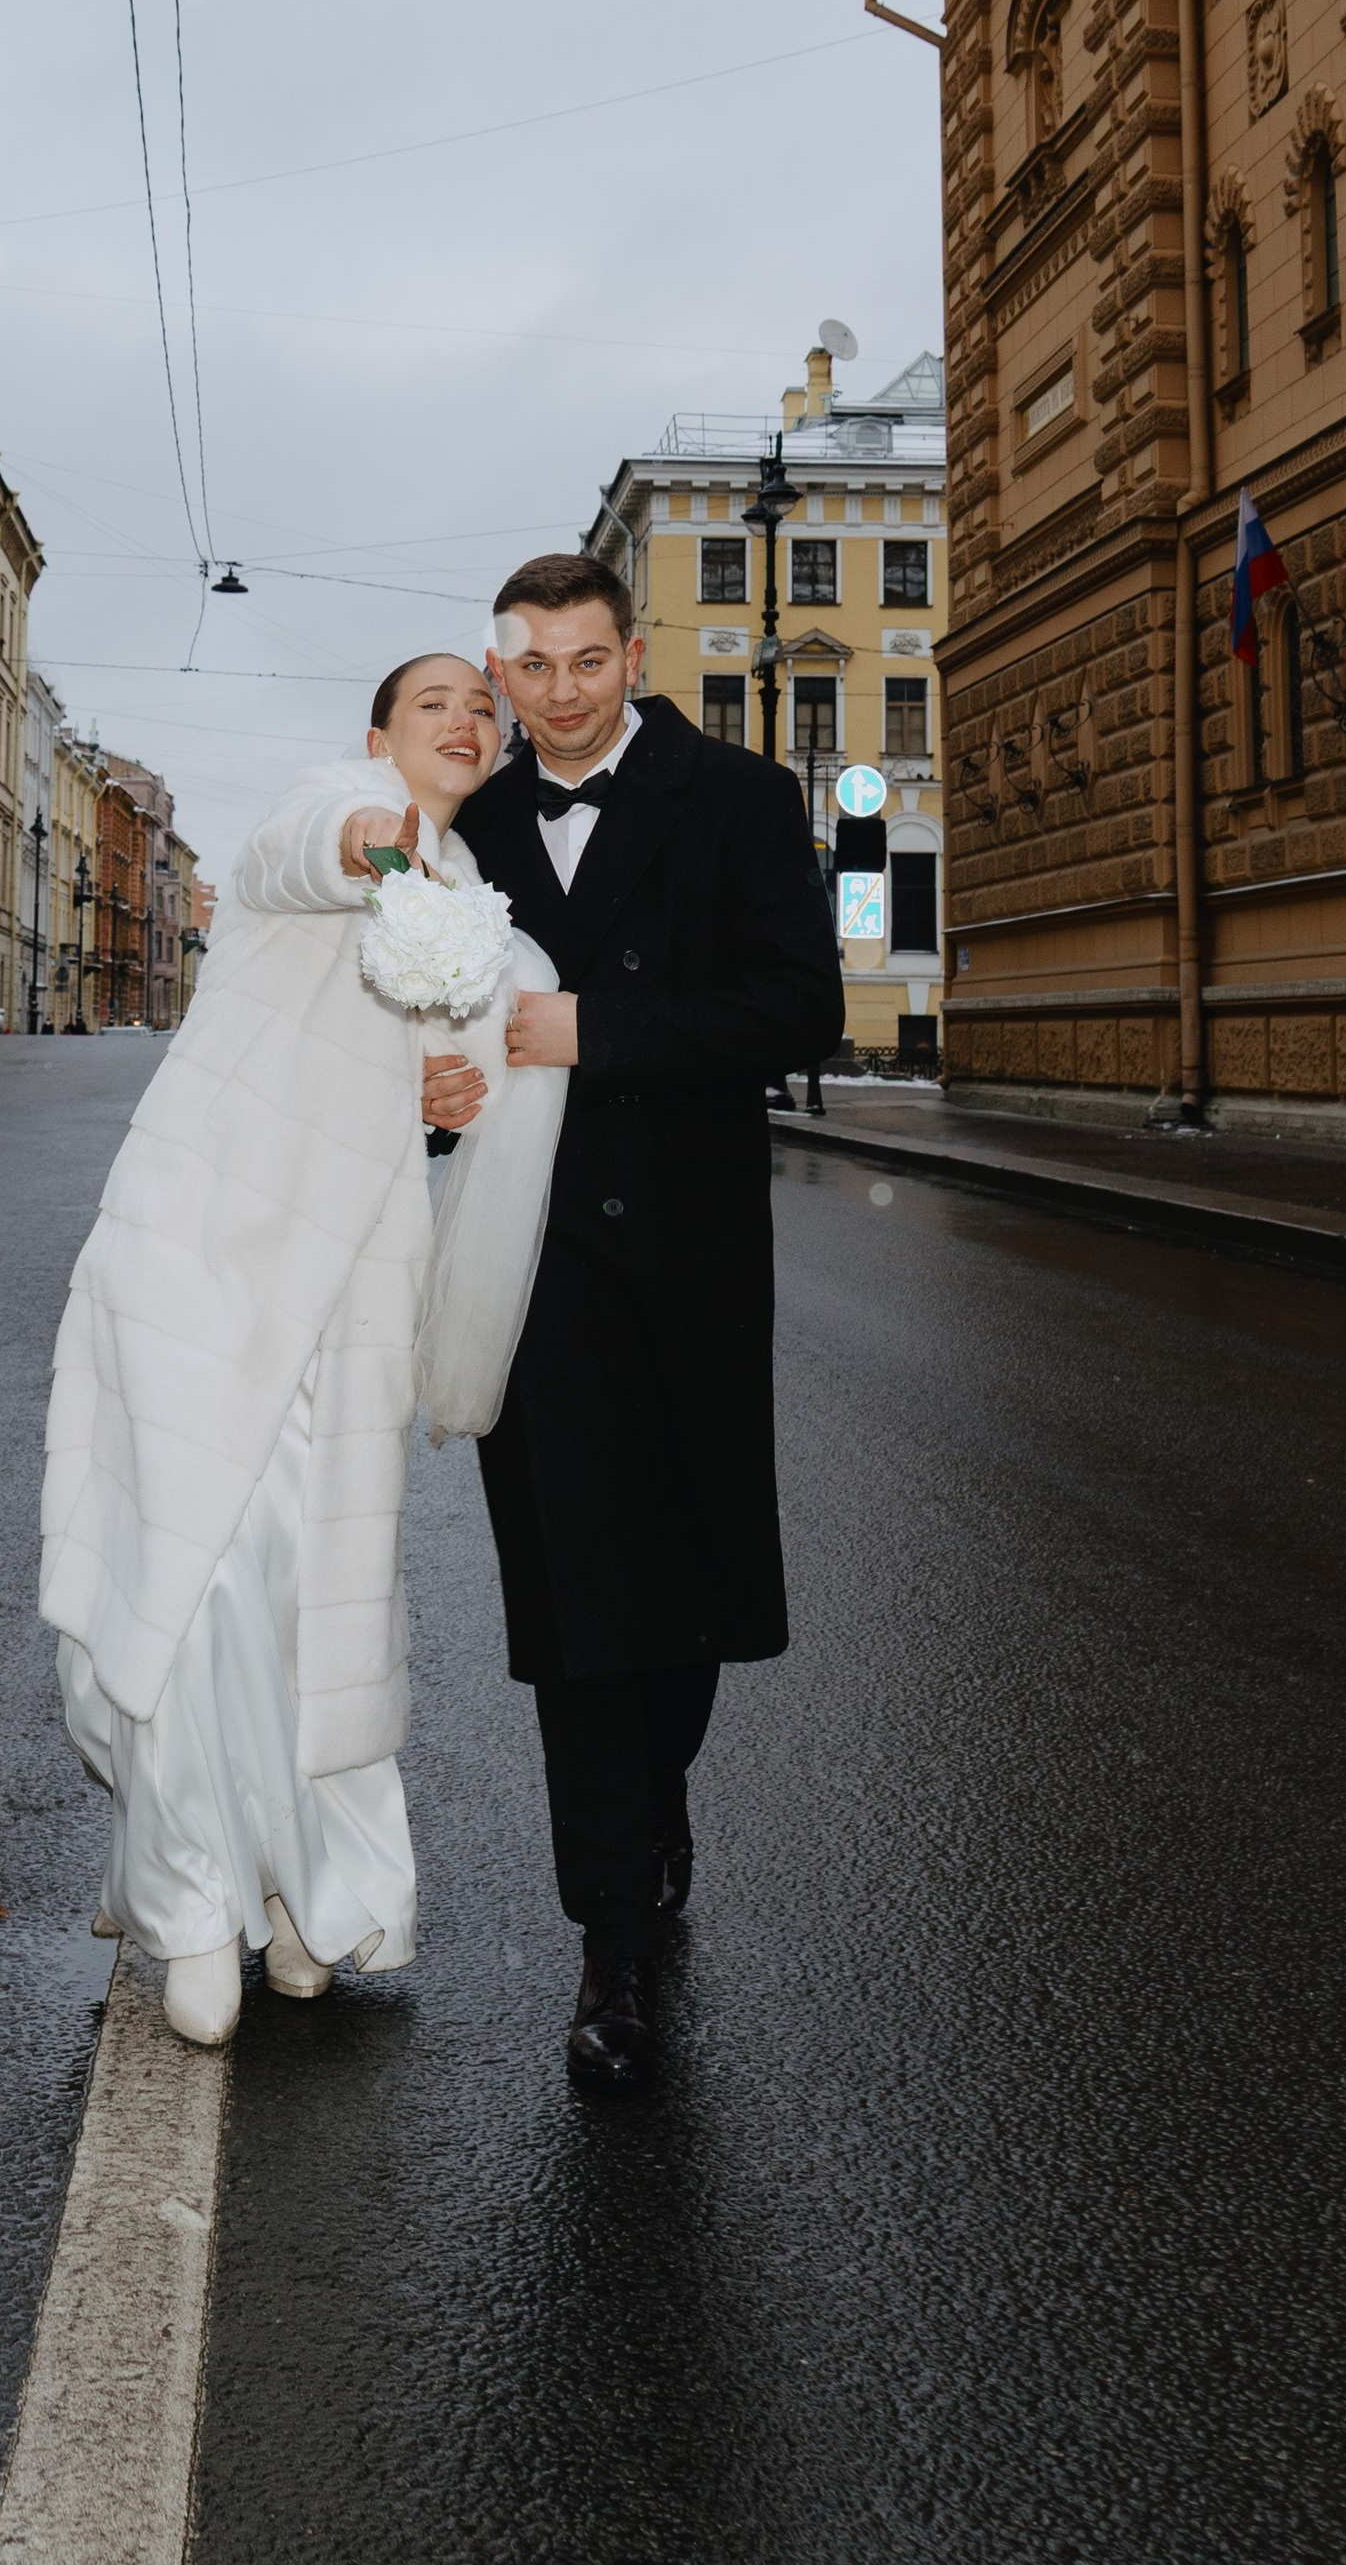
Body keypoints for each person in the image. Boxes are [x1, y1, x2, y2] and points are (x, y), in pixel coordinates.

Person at [40, 656, 505, 2048]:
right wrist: (376, 841)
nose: (466, 721)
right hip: (203, 1241)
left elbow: (447, 1073)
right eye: (435, 702)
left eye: (482, 707)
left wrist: (449, 1092)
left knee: (316, 1595)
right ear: (375, 735)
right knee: (198, 1568)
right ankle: (190, 1903)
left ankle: (313, 1893)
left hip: (349, 1285)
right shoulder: (338, 808)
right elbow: (304, 851)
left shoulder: (474, 903)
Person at [455, 552, 843, 2092]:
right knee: (580, 1607)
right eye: (531, 664)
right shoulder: (470, 826)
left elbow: (796, 1008)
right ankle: (611, 1945)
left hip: (684, 1258)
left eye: (585, 660)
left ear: (634, 653)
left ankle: (654, 1800)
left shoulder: (738, 798)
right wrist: (436, 1092)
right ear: (503, 666)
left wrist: (592, 1029)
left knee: (680, 1594)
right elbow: (422, 1029)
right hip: (526, 1264)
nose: (559, 691)